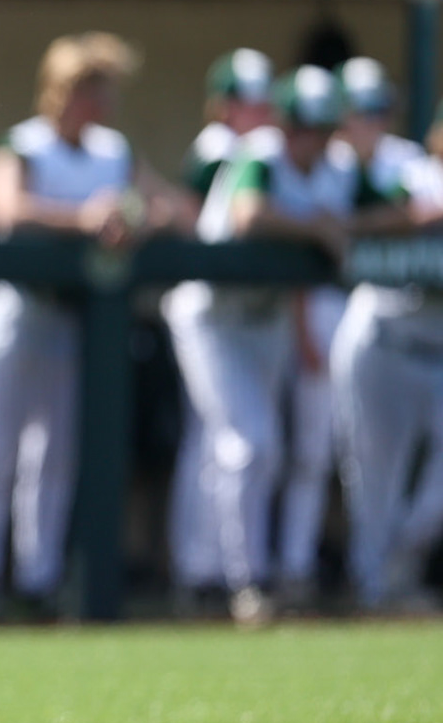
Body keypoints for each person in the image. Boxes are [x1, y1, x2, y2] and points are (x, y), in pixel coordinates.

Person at [0, 32, 188, 623]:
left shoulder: (115, 151)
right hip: (19, 313)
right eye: (92, 90)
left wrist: (139, 218)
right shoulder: (24, 144)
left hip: (76, 322)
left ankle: (40, 581)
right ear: (62, 91)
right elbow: (7, 210)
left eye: (106, 90)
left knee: (55, 456)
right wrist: (84, 219)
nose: (102, 103)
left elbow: (178, 209)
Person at [166, 66, 387, 626]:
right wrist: (319, 228)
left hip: (268, 319)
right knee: (248, 443)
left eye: (320, 128)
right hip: (213, 313)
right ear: (283, 124)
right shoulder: (259, 153)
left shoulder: (339, 166)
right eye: (300, 127)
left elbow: (399, 207)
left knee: (254, 447)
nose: (308, 139)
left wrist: (351, 224)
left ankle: (221, 575)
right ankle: (243, 582)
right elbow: (248, 215)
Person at [164, 49, 272, 610]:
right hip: (207, 308)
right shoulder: (219, 148)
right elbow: (193, 215)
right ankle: (206, 568)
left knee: (215, 442)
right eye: (244, 103)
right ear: (221, 106)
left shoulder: (259, 150)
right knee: (223, 441)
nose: (255, 113)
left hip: (245, 315)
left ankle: (202, 567)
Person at [331, 68, 439, 612]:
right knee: (375, 479)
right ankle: (375, 592)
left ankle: (395, 571)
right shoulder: (414, 170)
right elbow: (381, 210)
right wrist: (411, 218)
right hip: (383, 339)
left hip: (436, 355)